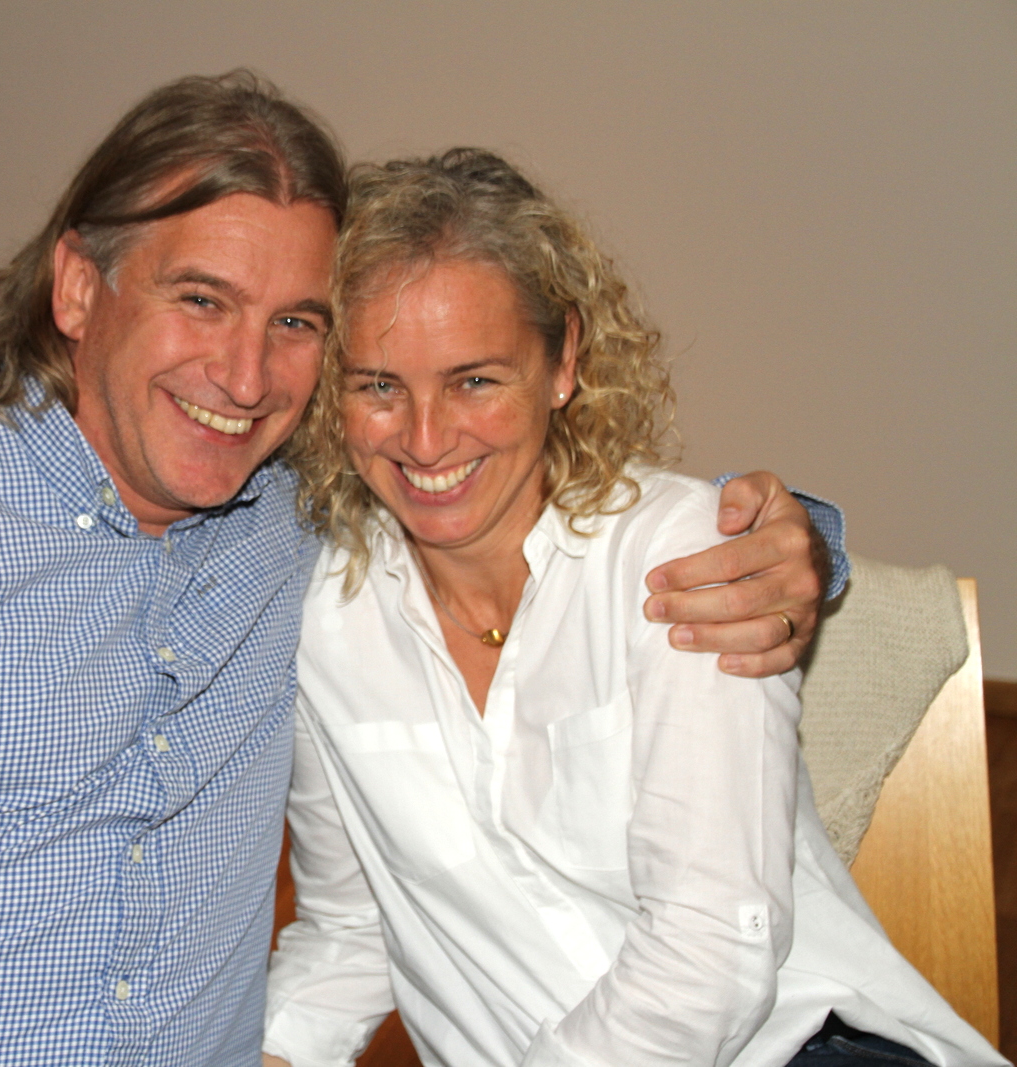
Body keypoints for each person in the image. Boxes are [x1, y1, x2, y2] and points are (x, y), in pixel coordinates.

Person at [0, 74, 834, 1066]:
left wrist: (798, 546)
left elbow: (517, 496)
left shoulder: (303, 527)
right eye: (201, 300)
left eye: (296, 324)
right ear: (76, 287)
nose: (245, 375)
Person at [262, 150, 1003, 1066]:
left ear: (563, 359)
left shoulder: (680, 555)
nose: (424, 438)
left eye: (475, 380)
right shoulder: (326, 614)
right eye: (378, 384)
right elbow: (350, 932)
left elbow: (712, 954)